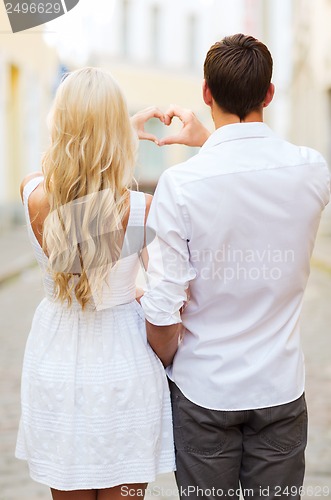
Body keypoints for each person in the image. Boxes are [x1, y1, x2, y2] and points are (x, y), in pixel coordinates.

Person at [140, 34, 330, 499]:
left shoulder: (180, 185)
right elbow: (250, 171)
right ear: (269, 93)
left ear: (206, 93)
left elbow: (162, 313)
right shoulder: (312, 169)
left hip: (205, 391)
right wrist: (213, 143)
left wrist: (171, 363)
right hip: (280, 388)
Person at [15, 67, 175, 500]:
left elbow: (80, 186)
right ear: (115, 131)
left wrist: (105, 127)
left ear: (59, 123)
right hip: (125, 373)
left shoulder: (32, 194)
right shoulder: (144, 210)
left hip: (55, 368)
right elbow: (167, 300)